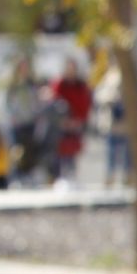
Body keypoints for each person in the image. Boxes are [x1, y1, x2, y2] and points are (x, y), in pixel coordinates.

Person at [47, 58, 93, 188]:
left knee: (72, 153)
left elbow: (85, 104)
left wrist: (77, 121)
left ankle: (71, 179)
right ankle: (58, 179)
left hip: (76, 124)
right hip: (61, 125)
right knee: (59, 153)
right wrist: (62, 121)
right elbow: (54, 101)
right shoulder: (60, 84)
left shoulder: (81, 86)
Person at [94, 65, 129, 187]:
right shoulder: (107, 76)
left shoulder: (126, 75)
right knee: (112, 150)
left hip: (123, 120)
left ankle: (127, 176)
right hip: (111, 120)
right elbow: (100, 95)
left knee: (125, 150)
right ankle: (111, 176)